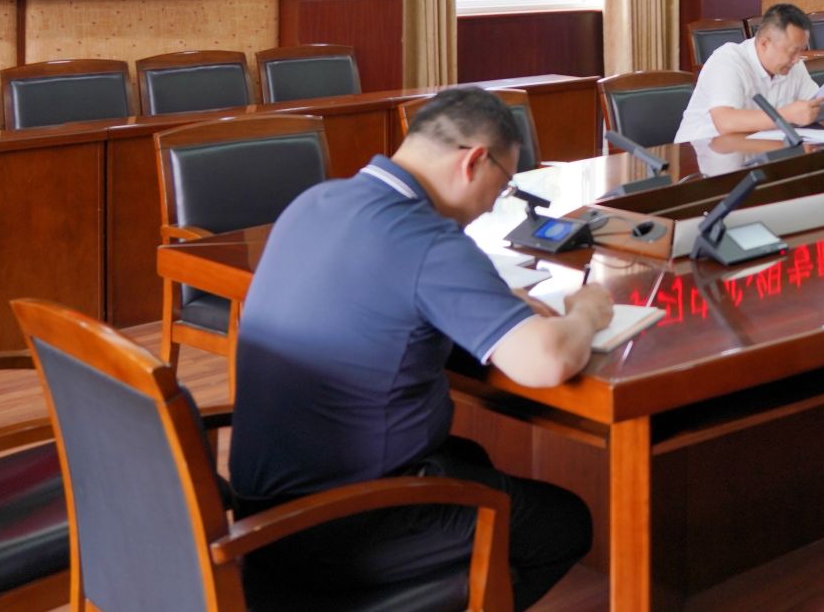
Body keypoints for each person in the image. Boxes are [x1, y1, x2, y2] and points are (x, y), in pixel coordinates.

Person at [230, 87, 609, 609]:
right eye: (501, 188)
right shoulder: (427, 239)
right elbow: (546, 361)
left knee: (470, 457)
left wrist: (490, 300)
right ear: (474, 162)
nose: (490, 207)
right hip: (338, 524)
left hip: (259, 509)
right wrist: (587, 312)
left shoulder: (316, 201)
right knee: (562, 525)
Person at [674, 2, 821, 142]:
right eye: (792, 51)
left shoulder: (793, 64)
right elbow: (725, 122)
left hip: (756, 148)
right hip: (698, 151)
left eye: (801, 51)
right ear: (764, 43)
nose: (797, 59)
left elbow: (816, 104)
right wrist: (786, 115)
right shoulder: (728, 60)